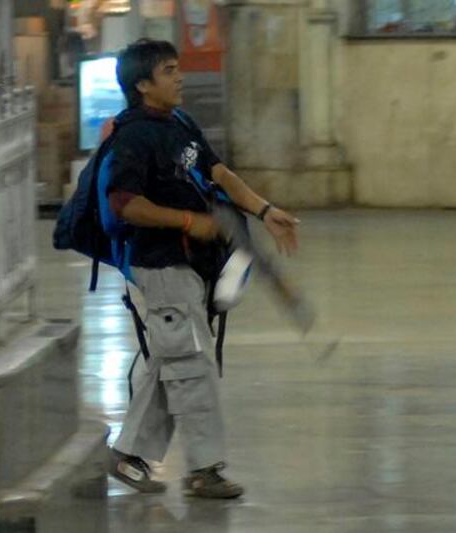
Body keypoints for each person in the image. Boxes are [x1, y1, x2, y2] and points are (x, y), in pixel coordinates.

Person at [105, 39, 299, 499]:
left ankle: (129, 456)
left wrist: (264, 210)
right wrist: (190, 221)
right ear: (143, 85)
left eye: (178, 68)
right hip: (163, 266)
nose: (180, 77)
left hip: (194, 266)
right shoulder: (132, 137)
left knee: (172, 360)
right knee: (191, 364)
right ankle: (203, 470)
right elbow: (125, 205)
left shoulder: (179, 123)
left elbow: (218, 172)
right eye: (169, 70)